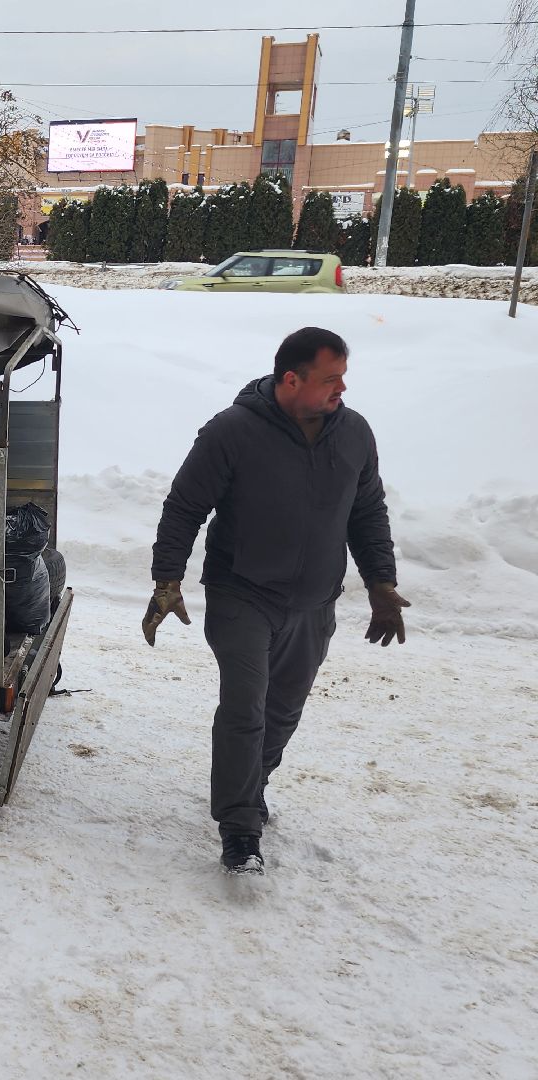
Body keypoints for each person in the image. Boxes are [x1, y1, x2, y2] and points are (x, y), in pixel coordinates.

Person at [143, 326, 409, 875]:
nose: (342, 389)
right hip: (242, 592)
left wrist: (381, 583)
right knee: (245, 708)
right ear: (292, 379)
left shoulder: (354, 432)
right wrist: (167, 580)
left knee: (283, 712)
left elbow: (367, 512)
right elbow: (184, 506)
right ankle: (240, 829)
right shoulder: (233, 431)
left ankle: (252, 783)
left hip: (314, 602)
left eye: (343, 377)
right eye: (331, 378)